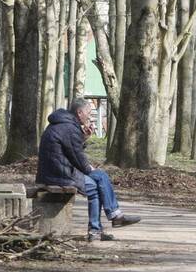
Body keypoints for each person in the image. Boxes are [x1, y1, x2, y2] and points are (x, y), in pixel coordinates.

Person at [36, 98, 141, 241]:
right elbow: (77, 158)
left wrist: (84, 138)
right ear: (79, 112)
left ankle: (101, 227)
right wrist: (89, 169)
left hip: (53, 172)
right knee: (98, 180)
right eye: (88, 112)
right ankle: (107, 221)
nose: (89, 116)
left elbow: (70, 150)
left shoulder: (62, 124)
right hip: (59, 174)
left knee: (97, 180)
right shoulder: (69, 128)